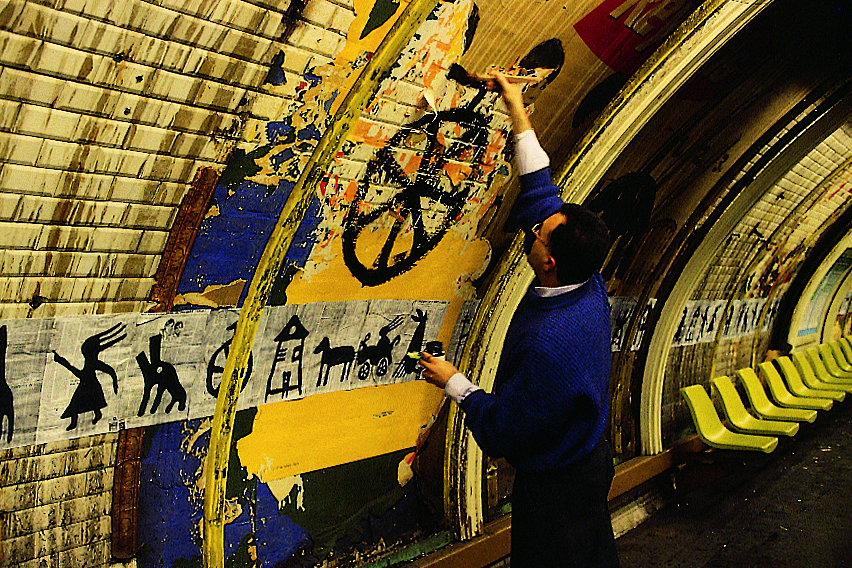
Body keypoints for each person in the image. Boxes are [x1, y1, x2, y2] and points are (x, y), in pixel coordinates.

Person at [418, 71, 620, 568]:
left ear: (547, 261)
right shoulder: (587, 281)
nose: (534, 227)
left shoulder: (552, 344)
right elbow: (541, 189)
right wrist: (517, 108)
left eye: (539, 234)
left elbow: (506, 429)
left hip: (559, 483)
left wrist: (453, 383)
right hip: (591, 461)